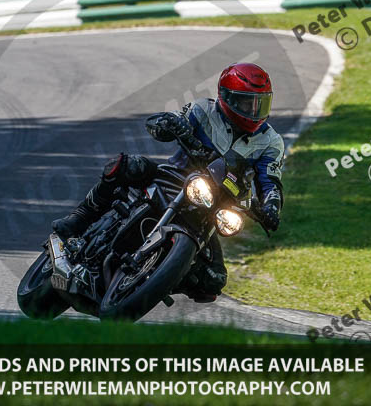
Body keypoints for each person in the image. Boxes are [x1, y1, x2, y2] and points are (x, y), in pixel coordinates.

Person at [53, 62, 284, 300]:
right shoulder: (203, 109)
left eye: (260, 103)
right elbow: (165, 121)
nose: (253, 110)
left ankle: (161, 276)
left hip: (212, 206)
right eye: (246, 102)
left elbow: (271, 182)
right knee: (126, 165)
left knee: (214, 281)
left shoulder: (271, 142)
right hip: (176, 178)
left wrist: (271, 206)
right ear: (226, 97)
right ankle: (80, 217)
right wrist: (171, 124)